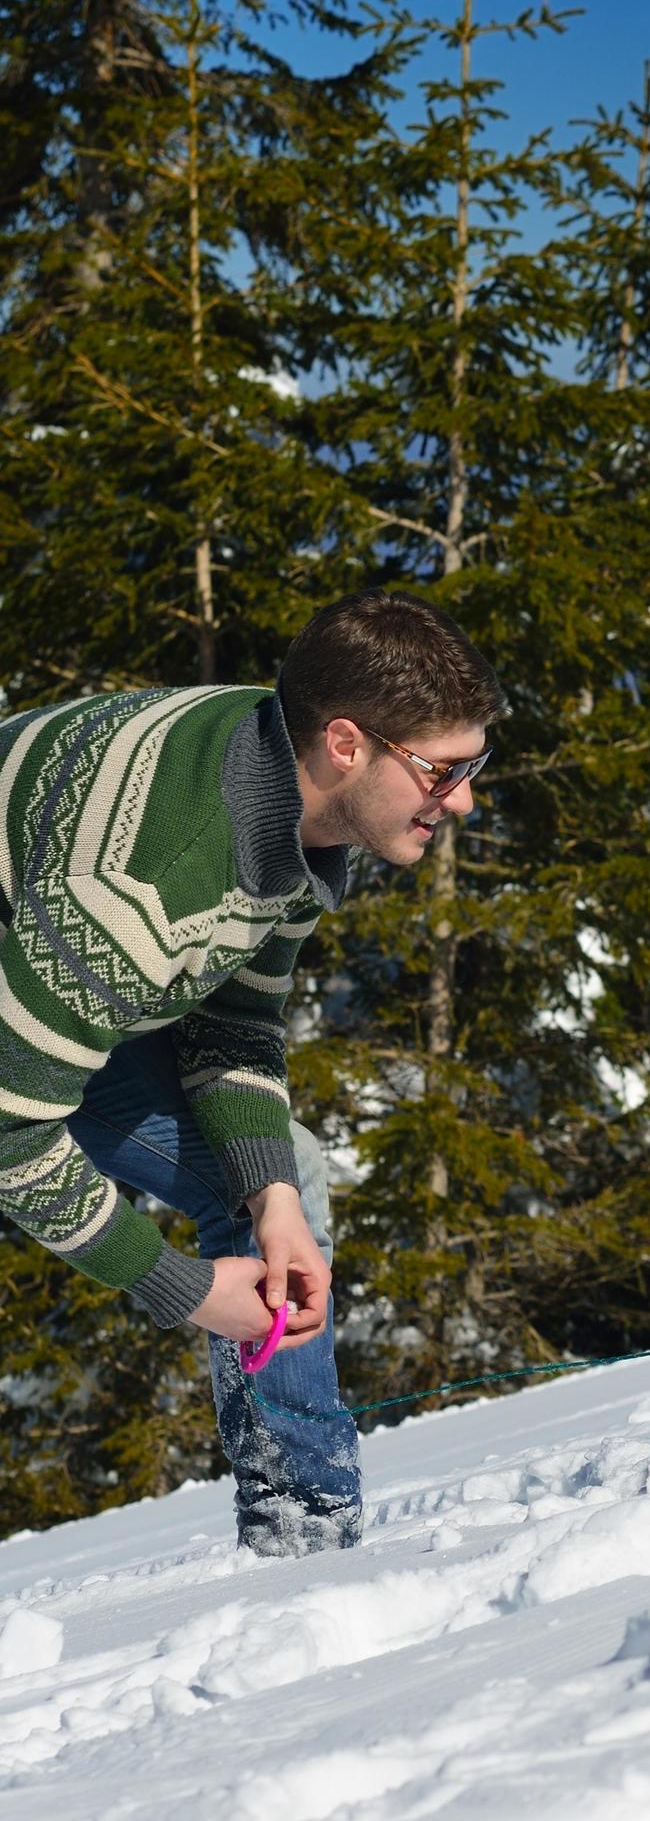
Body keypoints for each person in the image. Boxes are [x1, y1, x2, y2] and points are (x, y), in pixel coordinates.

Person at [0, 589, 501, 1554]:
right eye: (443, 772)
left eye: (472, 766)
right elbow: (11, 1132)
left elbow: (231, 1018)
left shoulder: (291, 788)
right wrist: (186, 1289)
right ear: (347, 744)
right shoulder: (146, 889)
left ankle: (304, 1528)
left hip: (60, 965)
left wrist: (270, 1200)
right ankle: (307, 1540)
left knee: (282, 1181)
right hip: (37, 980)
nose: (465, 800)